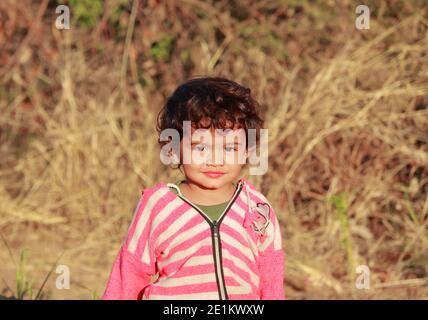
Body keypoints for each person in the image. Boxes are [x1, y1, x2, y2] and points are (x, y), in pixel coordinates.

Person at [102, 76, 285, 300]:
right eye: (200, 148)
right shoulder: (158, 205)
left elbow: (271, 277)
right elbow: (129, 273)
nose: (215, 160)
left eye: (229, 148)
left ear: (247, 150)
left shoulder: (257, 207)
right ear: (173, 148)